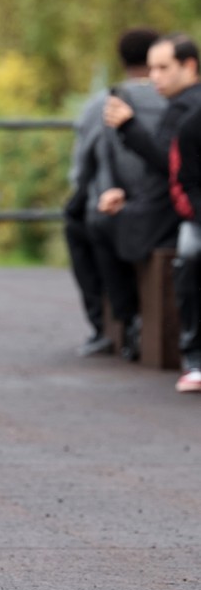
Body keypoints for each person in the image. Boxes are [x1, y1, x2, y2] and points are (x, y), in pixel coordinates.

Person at [98, 34, 201, 359]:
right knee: (99, 218)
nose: (153, 75)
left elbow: (167, 164)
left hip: (183, 210)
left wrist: (128, 126)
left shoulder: (190, 107)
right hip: (174, 205)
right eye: (152, 67)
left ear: (189, 66)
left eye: (163, 67)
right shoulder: (182, 103)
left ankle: (130, 321)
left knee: (99, 224)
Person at [65, 28, 163, 357]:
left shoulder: (103, 103)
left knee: (81, 225)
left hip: (119, 206)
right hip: (165, 202)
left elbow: (81, 168)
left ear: (122, 60)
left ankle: (107, 325)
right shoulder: (176, 98)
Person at [169, 103, 201, 392]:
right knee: (190, 254)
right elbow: (185, 183)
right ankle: (194, 355)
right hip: (197, 216)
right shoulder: (192, 124)